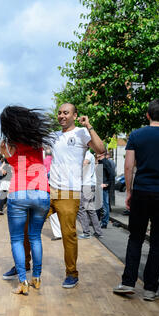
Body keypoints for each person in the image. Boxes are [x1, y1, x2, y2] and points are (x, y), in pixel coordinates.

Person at [113, 99, 159, 301]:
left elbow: (128, 167)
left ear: (147, 115)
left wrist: (129, 191)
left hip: (141, 192)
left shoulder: (137, 135)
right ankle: (150, 289)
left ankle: (128, 282)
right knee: (158, 242)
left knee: (135, 238)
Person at [46, 103, 105, 288]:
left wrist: (89, 125)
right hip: (50, 190)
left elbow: (101, 149)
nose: (62, 116)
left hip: (70, 192)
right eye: (60, 112)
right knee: (29, 223)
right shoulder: (53, 136)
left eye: (66, 113)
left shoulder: (81, 132)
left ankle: (72, 273)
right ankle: (23, 264)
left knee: (68, 234)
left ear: (74, 115)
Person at [0, 105, 53, 295]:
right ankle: (37, 278)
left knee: (16, 239)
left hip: (19, 192)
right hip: (41, 191)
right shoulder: (36, 139)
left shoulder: (9, 143)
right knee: (35, 237)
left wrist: (6, 148)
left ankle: (22, 281)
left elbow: (12, 162)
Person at [77, 149, 103, 239]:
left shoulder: (87, 154)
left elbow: (85, 163)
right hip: (88, 184)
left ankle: (86, 232)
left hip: (86, 185)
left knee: (81, 209)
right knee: (91, 210)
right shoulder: (87, 154)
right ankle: (98, 232)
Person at [96, 150, 114, 228]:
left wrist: (106, 184)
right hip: (99, 186)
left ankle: (104, 223)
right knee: (100, 205)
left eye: (97, 152)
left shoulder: (105, 162)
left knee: (105, 205)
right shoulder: (100, 162)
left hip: (103, 187)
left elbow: (111, 174)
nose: (96, 154)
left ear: (101, 154)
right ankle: (99, 221)